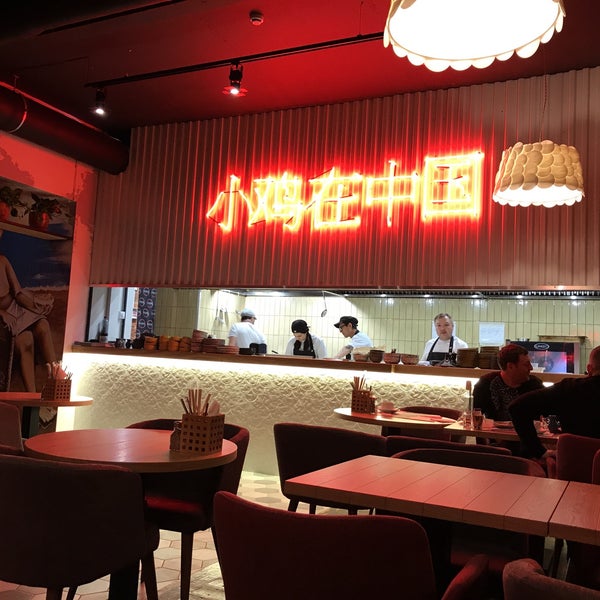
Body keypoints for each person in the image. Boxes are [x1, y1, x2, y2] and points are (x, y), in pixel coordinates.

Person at [509, 345, 600, 460]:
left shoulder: (568, 389)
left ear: (589, 368)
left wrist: (539, 452)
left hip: (574, 465)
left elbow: (517, 408)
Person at [0, 232, 56, 392]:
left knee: (43, 325)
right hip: (3, 317)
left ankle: (56, 383)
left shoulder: (3, 261)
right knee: (26, 340)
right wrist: (2, 313)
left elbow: (17, 293)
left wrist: (36, 307)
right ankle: (32, 396)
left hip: (16, 309)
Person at [473, 343, 544, 422]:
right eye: (526, 364)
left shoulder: (535, 385)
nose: (531, 368)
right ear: (510, 366)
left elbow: (547, 416)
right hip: (493, 430)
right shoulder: (485, 384)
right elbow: (475, 418)